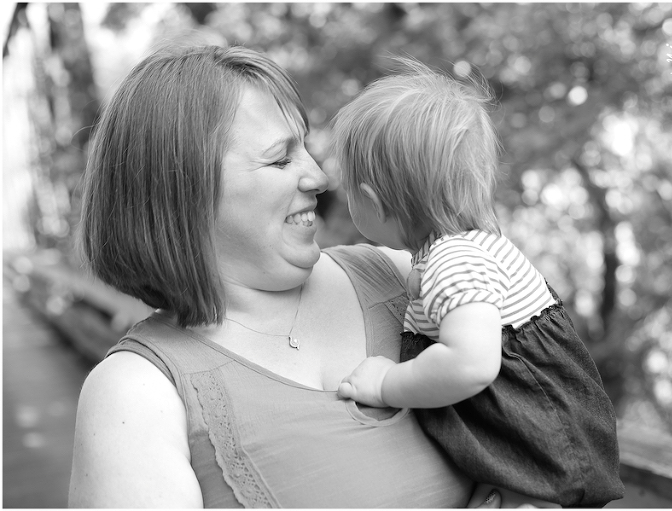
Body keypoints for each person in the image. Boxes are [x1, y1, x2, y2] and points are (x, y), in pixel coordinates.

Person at [68, 44, 508, 508]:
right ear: (183, 194)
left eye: (307, 150)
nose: (318, 177)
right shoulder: (134, 395)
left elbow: (565, 429)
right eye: (281, 160)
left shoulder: (410, 277)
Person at [332, 58, 625, 507]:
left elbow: (470, 364)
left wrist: (387, 382)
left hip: (544, 466)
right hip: (543, 455)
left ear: (371, 199)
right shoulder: (462, 251)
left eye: (348, 186)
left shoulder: (455, 260)